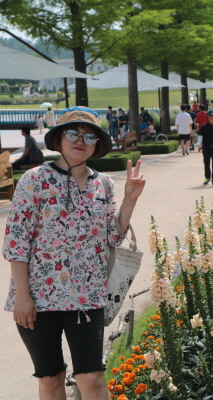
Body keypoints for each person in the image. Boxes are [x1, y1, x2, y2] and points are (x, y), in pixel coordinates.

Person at [3, 106, 145, 400]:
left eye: (89, 136)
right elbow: (17, 243)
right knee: (51, 378)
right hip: (38, 298)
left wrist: (129, 200)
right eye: (72, 133)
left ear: (96, 146)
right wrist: (23, 296)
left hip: (87, 297)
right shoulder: (34, 180)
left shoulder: (103, 183)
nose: (80, 141)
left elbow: (112, 237)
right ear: (58, 141)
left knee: (91, 378)